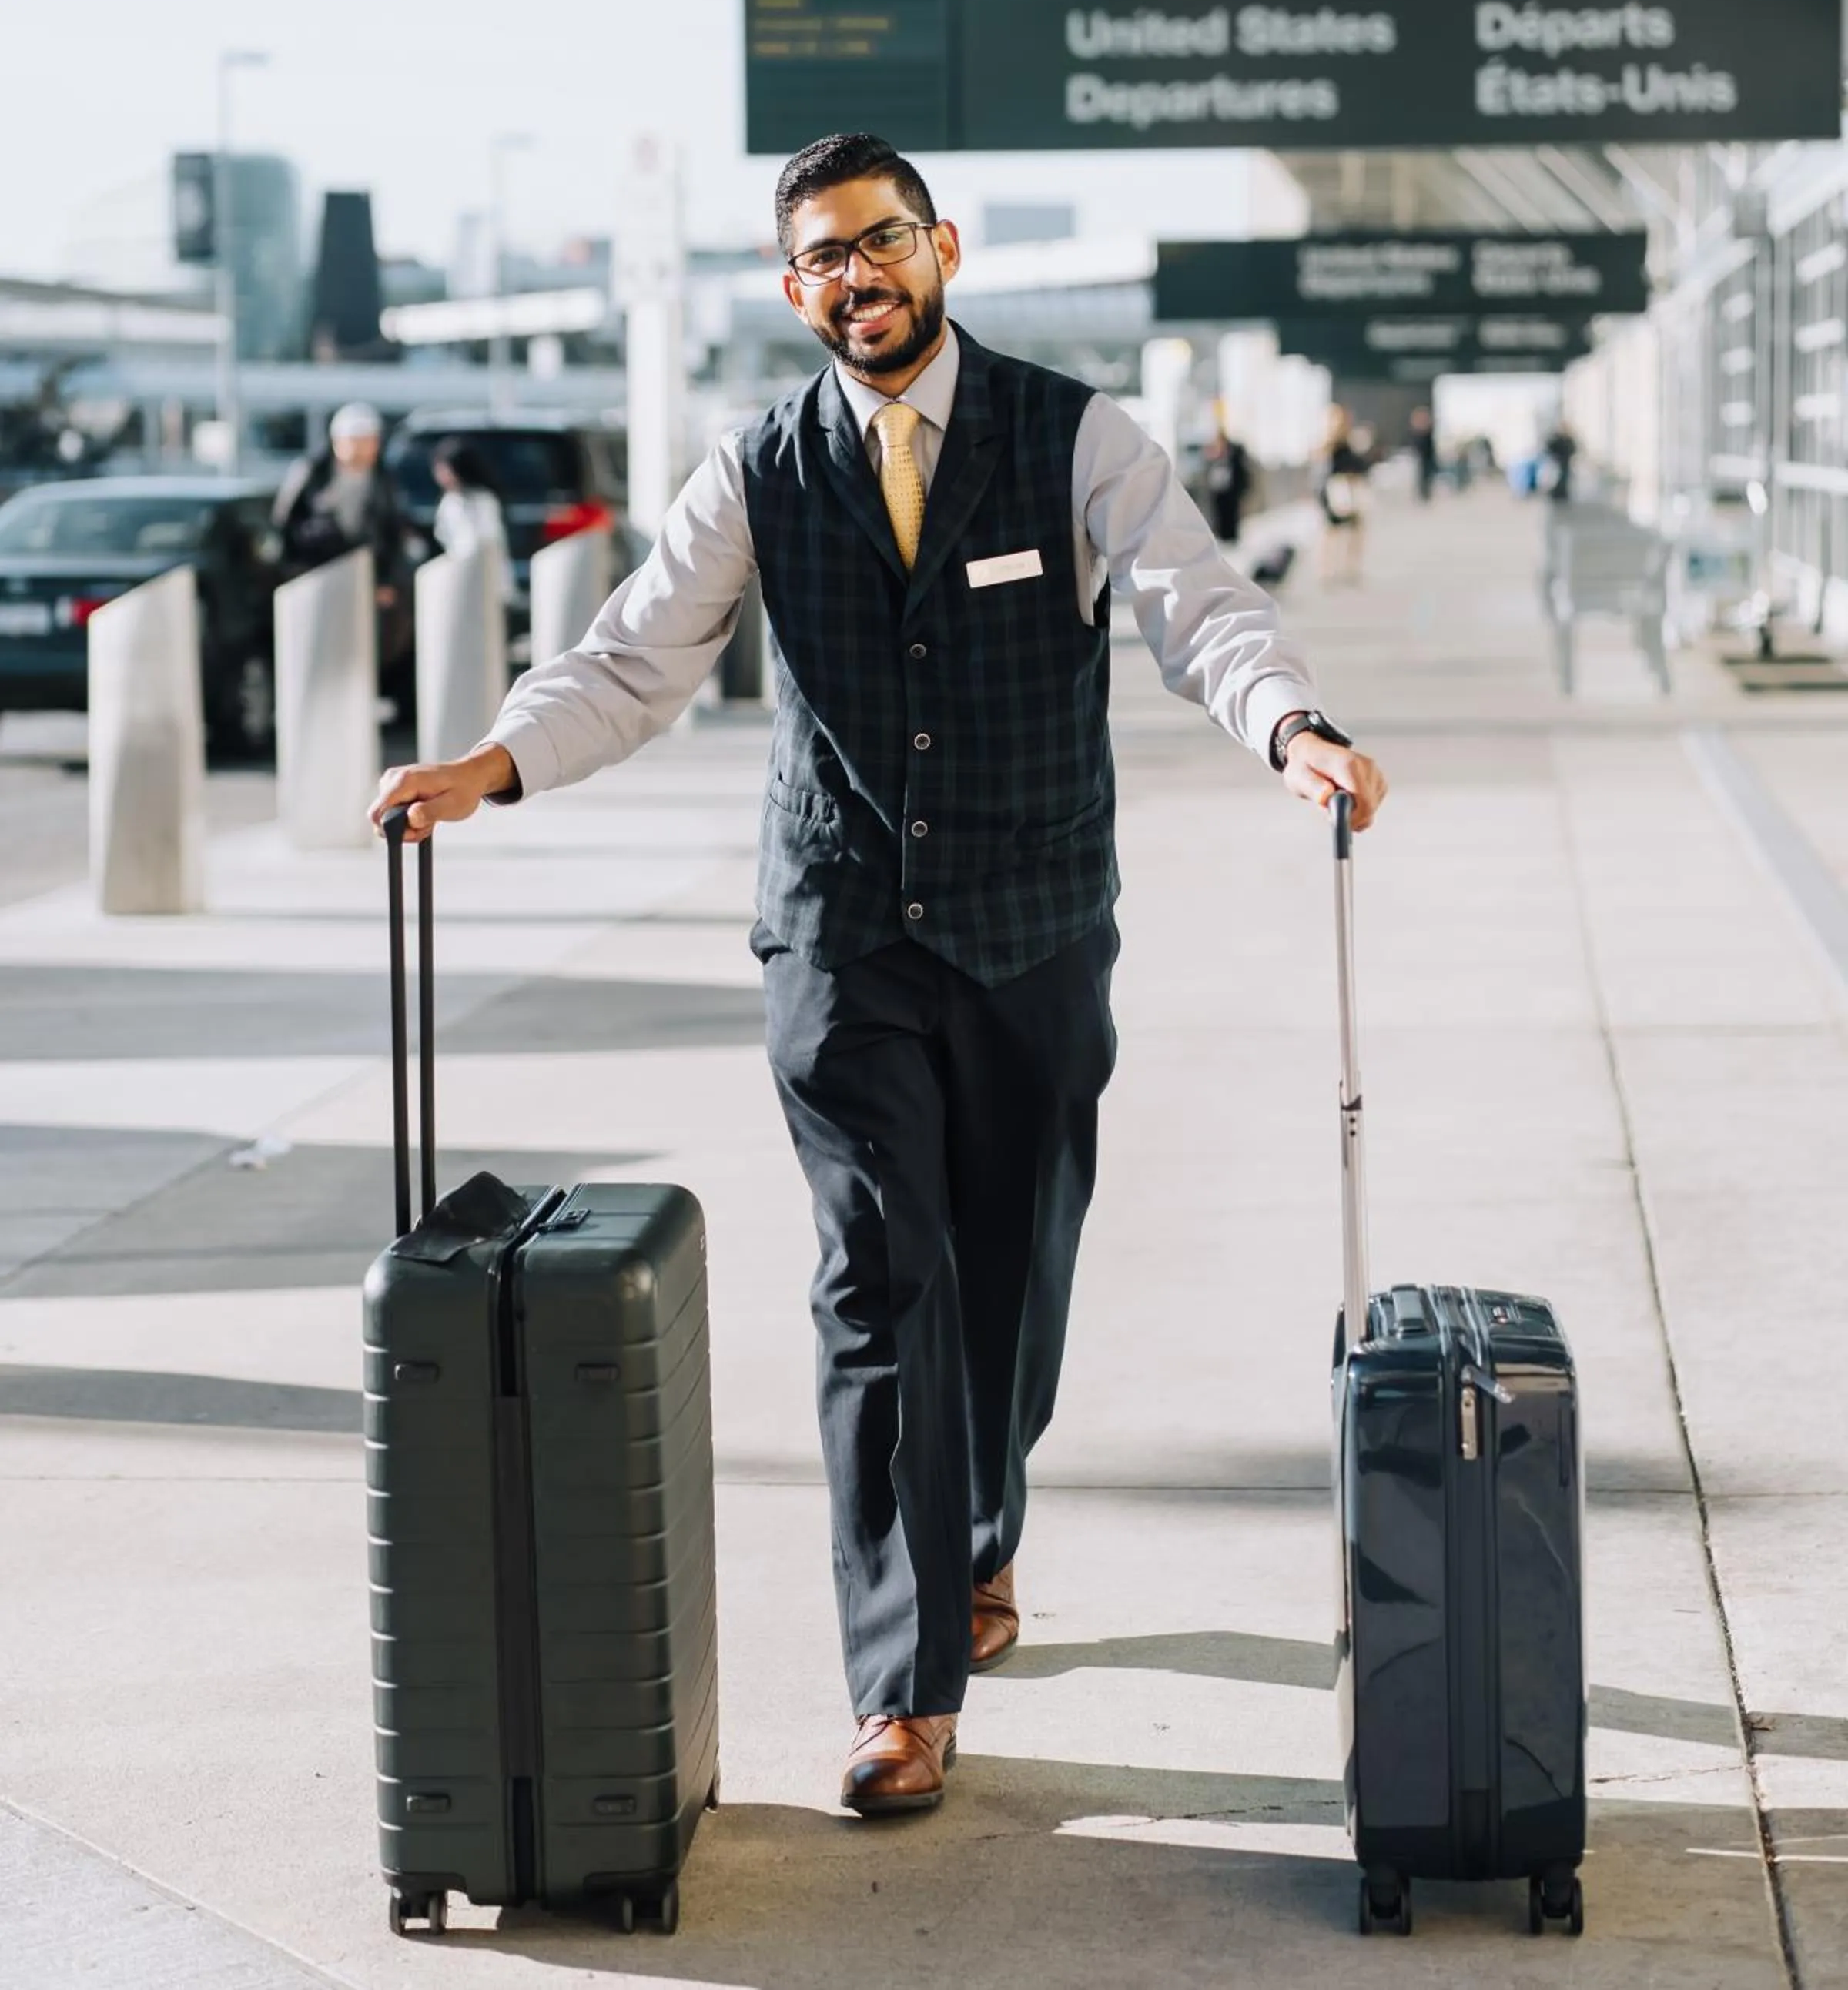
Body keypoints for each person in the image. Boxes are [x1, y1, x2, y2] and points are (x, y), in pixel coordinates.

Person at [370, 132, 1388, 1820]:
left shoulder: (1078, 438)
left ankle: (981, 1535)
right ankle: (900, 1689)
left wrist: (1291, 728)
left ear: (944, 249)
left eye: (883, 241)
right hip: (842, 939)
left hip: (1036, 927)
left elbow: (1197, 609)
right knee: (878, 1288)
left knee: (1011, 1280)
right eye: (825, 258)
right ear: (793, 291)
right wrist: (492, 764)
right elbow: (636, 657)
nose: (859, 275)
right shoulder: (759, 469)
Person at [273, 402, 414, 707]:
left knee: (366, 640)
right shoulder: (311, 472)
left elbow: (392, 531)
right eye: (359, 442)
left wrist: (388, 579)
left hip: (366, 577)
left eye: (372, 442)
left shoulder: (382, 478)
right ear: (339, 442)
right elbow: (286, 525)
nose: (366, 451)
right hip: (317, 575)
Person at [430, 439, 513, 600]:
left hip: (484, 576)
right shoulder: (449, 502)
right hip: (458, 576)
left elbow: (485, 540)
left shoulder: (483, 501)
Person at [1316, 404, 1369, 587]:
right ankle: (1328, 569)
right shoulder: (1330, 443)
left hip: (1351, 490)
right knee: (1333, 532)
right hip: (1337, 491)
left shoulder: (1352, 440)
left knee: (1355, 531)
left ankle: (1350, 568)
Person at [1200, 422, 1251, 544]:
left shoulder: (1234, 450)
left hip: (1231, 488)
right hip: (1218, 488)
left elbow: (1241, 468)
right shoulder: (1214, 450)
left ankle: (1232, 536)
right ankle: (1222, 535)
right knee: (1219, 512)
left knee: (1232, 512)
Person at [1407, 404, 1438, 504]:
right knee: (1420, 478)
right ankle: (1422, 495)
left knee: (1427, 479)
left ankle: (1426, 496)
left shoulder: (1428, 433)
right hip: (1419, 461)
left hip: (1427, 460)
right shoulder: (1417, 434)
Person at [1544, 422, 1578, 503]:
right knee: (1556, 477)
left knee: (1564, 478)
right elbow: (1550, 447)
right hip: (1557, 462)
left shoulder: (1569, 439)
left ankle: (1562, 494)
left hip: (1565, 461)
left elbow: (1573, 449)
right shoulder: (1557, 438)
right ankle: (1557, 493)